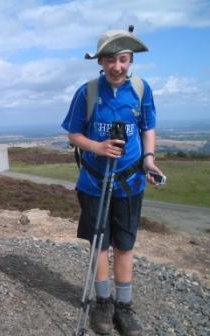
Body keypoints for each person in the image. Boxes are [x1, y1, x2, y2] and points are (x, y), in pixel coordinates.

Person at [61, 27, 164, 335]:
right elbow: (73, 134)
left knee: (125, 244)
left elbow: (148, 128)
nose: (117, 67)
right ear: (100, 62)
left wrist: (149, 159)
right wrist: (98, 147)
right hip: (94, 182)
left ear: (130, 59)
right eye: (110, 60)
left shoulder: (142, 89)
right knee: (99, 244)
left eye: (123, 59)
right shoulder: (87, 92)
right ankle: (103, 302)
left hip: (131, 181)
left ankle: (124, 306)